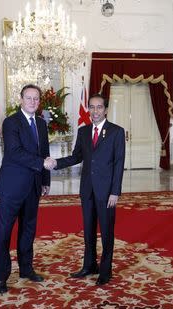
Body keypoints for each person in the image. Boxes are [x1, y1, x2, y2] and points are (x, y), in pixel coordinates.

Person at [45, 93, 125, 286]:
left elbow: (118, 163)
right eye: (92, 107)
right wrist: (56, 163)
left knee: (106, 232)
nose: (95, 111)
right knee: (88, 230)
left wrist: (115, 192)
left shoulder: (116, 132)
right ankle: (89, 265)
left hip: (107, 192)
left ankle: (105, 271)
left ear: (105, 110)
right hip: (87, 190)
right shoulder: (83, 131)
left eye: (99, 107)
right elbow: (76, 157)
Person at [0, 84, 54, 294]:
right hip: (11, 186)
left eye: (36, 99)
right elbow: (14, 152)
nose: (32, 102)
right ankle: (1, 278)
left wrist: (45, 180)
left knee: (28, 231)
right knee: (4, 233)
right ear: (21, 99)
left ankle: (26, 269)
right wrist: (42, 164)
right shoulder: (11, 122)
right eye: (28, 98)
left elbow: (44, 152)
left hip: (34, 186)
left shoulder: (41, 123)